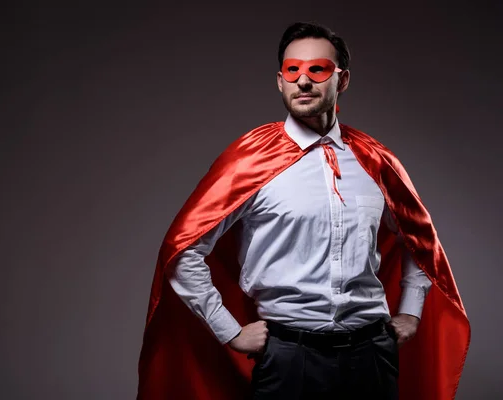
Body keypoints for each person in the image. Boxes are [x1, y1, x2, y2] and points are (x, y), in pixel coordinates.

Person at [137, 22, 470, 400]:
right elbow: (183, 251)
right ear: (280, 81)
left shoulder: (375, 162)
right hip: (288, 358)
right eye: (293, 71)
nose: (304, 81)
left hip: (372, 355)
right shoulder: (249, 160)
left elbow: (419, 240)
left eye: (318, 70)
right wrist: (229, 330)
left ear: (341, 80)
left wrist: (410, 310)